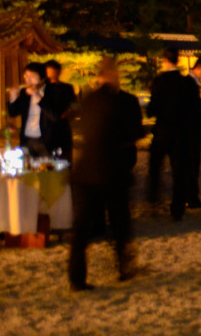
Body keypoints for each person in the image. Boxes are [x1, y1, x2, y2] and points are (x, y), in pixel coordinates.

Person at [67, 58, 145, 291]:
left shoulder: (89, 100)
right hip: (113, 169)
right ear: (113, 75)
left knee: (81, 228)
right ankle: (124, 268)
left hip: (85, 170)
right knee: (120, 223)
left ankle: (76, 277)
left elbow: (83, 128)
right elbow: (136, 131)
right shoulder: (126, 102)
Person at [172, 56, 201, 218]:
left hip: (188, 133)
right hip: (190, 133)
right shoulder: (189, 83)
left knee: (191, 166)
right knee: (191, 165)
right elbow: (193, 106)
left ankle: (191, 197)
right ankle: (192, 198)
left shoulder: (189, 82)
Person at [146, 48, 184, 206]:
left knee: (155, 166)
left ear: (165, 61)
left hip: (162, 129)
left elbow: (152, 106)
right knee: (178, 169)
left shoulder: (159, 81)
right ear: (178, 61)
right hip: (179, 131)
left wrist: (150, 111)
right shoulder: (184, 81)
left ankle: (154, 199)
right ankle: (177, 204)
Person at [7, 62, 68, 158]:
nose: (28, 80)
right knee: (28, 170)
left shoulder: (53, 91)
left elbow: (55, 116)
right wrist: (13, 97)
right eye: (26, 76)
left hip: (45, 141)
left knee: (46, 170)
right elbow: (13, 112)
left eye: (32, 76)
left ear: (42, 77)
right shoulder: (25, 92)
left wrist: (37, 96)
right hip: (27, 140)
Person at [43, 59, 77, 159]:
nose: (52, 75)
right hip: (46, 128)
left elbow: (75, 104)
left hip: (63, 128)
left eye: (54, 72)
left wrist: (71, 112)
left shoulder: (67, 88)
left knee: (65, 159)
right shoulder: (42, 88)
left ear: (59, 72)